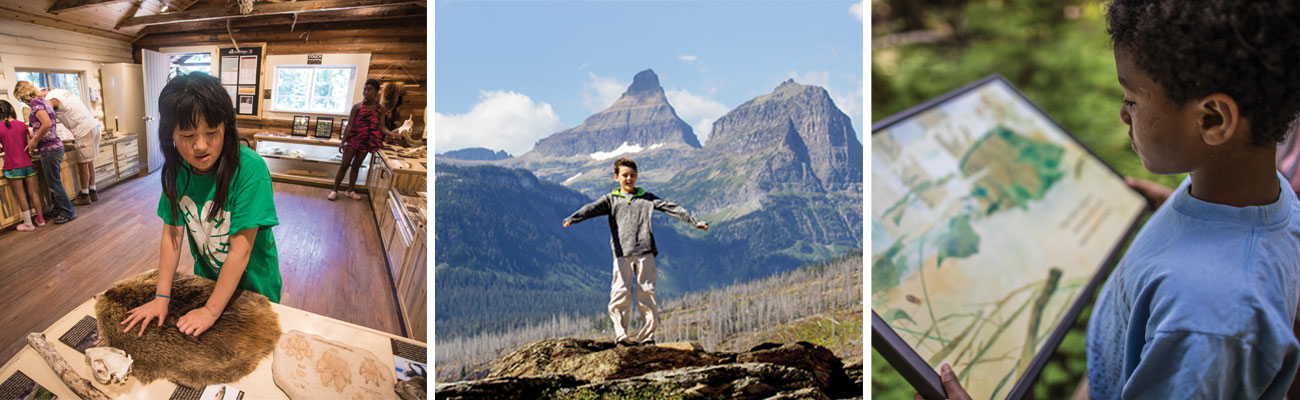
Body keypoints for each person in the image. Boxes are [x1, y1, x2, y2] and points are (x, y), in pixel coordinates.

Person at [930, 1, 1300, 398]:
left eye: (1132, 100)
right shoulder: (1254, 195)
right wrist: (1184, 222)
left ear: (1212, 120)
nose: (1122, 114)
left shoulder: (1207, 324)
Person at [119, 73, 282, 338]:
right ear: (169, 133)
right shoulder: (177, 171)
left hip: (254, 289)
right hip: (208, 283)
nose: (201, 146)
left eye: (211, 133)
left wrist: (210, 311)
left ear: (226, 128)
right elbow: (172, 235)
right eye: (187, 135)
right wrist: (161, 297)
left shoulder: (250, 168)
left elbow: (240, 252)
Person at [562, 157, 709, 346]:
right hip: (621, 254)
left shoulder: (647, 198)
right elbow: (590, 209)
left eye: (632, 175)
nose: (629, 179)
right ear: (616, 177)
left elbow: (672, 208)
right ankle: (621, 336)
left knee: (647, 293)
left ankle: (647, 337)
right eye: (625, 175)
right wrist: (573, 219)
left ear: (637, 176)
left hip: (645, 252)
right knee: (620, 294)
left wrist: (695, 222)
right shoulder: (610, 200)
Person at [13, 81, 75, 224]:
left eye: (21, 99)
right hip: (54, 147)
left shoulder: (35, 103)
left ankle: (68, 211)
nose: (23, 102)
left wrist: (34, 140)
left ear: (24, 95)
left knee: (54, 183)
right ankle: (58, 208)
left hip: (50, 149)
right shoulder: (43, 101)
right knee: (52, 182)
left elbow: (46, 124)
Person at [328, 79, 393, 201]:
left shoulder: (380, 109)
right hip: (353, 141)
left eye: (369, 90)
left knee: (356, 166)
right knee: (344, 165)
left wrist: (391, 133)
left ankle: (350, 190)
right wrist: (343, 142)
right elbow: (349, 125)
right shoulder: (357, 107)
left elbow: (382, 126)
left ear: (376, 92)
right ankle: (334, 190)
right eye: (364, 90)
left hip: (367, 142)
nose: (366, 92)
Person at [44, 87, 105, 205]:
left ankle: (84, 195)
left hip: (83, 130)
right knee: (89, 161)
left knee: (82, 165)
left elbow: (48, 119)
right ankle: (92, 191)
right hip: (94, 126)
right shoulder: (61, 92)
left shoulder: (50, 98)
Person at [0, 100, 44, 231]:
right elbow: (28, 145)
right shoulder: (22, 125)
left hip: (12, 166)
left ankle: (28, 224)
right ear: (12, 110)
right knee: (33, 193)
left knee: (21, 195)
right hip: (27, 164)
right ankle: (40, 220)